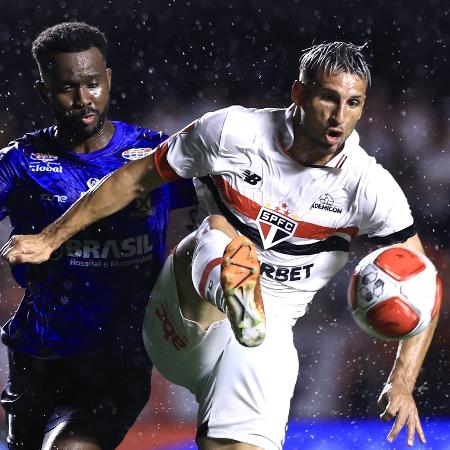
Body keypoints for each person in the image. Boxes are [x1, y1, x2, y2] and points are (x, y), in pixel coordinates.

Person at [1, 42, 438, 449]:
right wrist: (51, 237)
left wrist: (401, 381)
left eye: (353, 103)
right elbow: (135, 178)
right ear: (299, 92)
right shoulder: (232, 132)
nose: (339, 116)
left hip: (263, 339)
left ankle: (245, 304)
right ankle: (233, 284)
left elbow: (422, 286)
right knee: (216, 235)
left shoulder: (369, 186)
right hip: (183, 314)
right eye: (328, 98)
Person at [0, 22, 196, 450]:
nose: (83, 99)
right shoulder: (19, 163)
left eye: (92, 84)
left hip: (118, 361)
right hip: (37, 356)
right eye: (67, 88)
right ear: (43, 92)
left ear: (108, 80)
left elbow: (221, 202)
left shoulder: (154, 154)